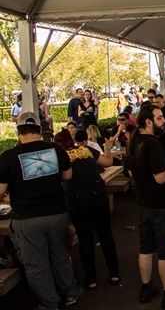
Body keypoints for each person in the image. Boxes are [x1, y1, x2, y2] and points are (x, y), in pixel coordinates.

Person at [0, 112, 83, 310]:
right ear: (39, 129)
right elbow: (68, 175)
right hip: (57, 213)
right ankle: (70, 293)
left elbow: (1, 190)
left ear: (18, 131)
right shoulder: (55, 149)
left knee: (36, 264)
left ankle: (49, 303)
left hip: (27, 218)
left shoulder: (8, 156)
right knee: (59, 255)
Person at [126, 105, 165, 308]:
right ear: (148, 121)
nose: (164, 121)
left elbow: (130, 173)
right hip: (161, 205)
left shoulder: (134, 141)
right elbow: (161, 177)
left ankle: (146, 288)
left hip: (143, 203)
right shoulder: (152, 144)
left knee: (146, 247)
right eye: (160, 118)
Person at [56, 129, 120, 289]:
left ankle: (91, 279)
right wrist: (107, 146)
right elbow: (108, 162)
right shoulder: (86, 150)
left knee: (85, 238)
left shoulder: (59, 157)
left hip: (76, 200)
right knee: (105, 234)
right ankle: (114, 273)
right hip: (98, 194)